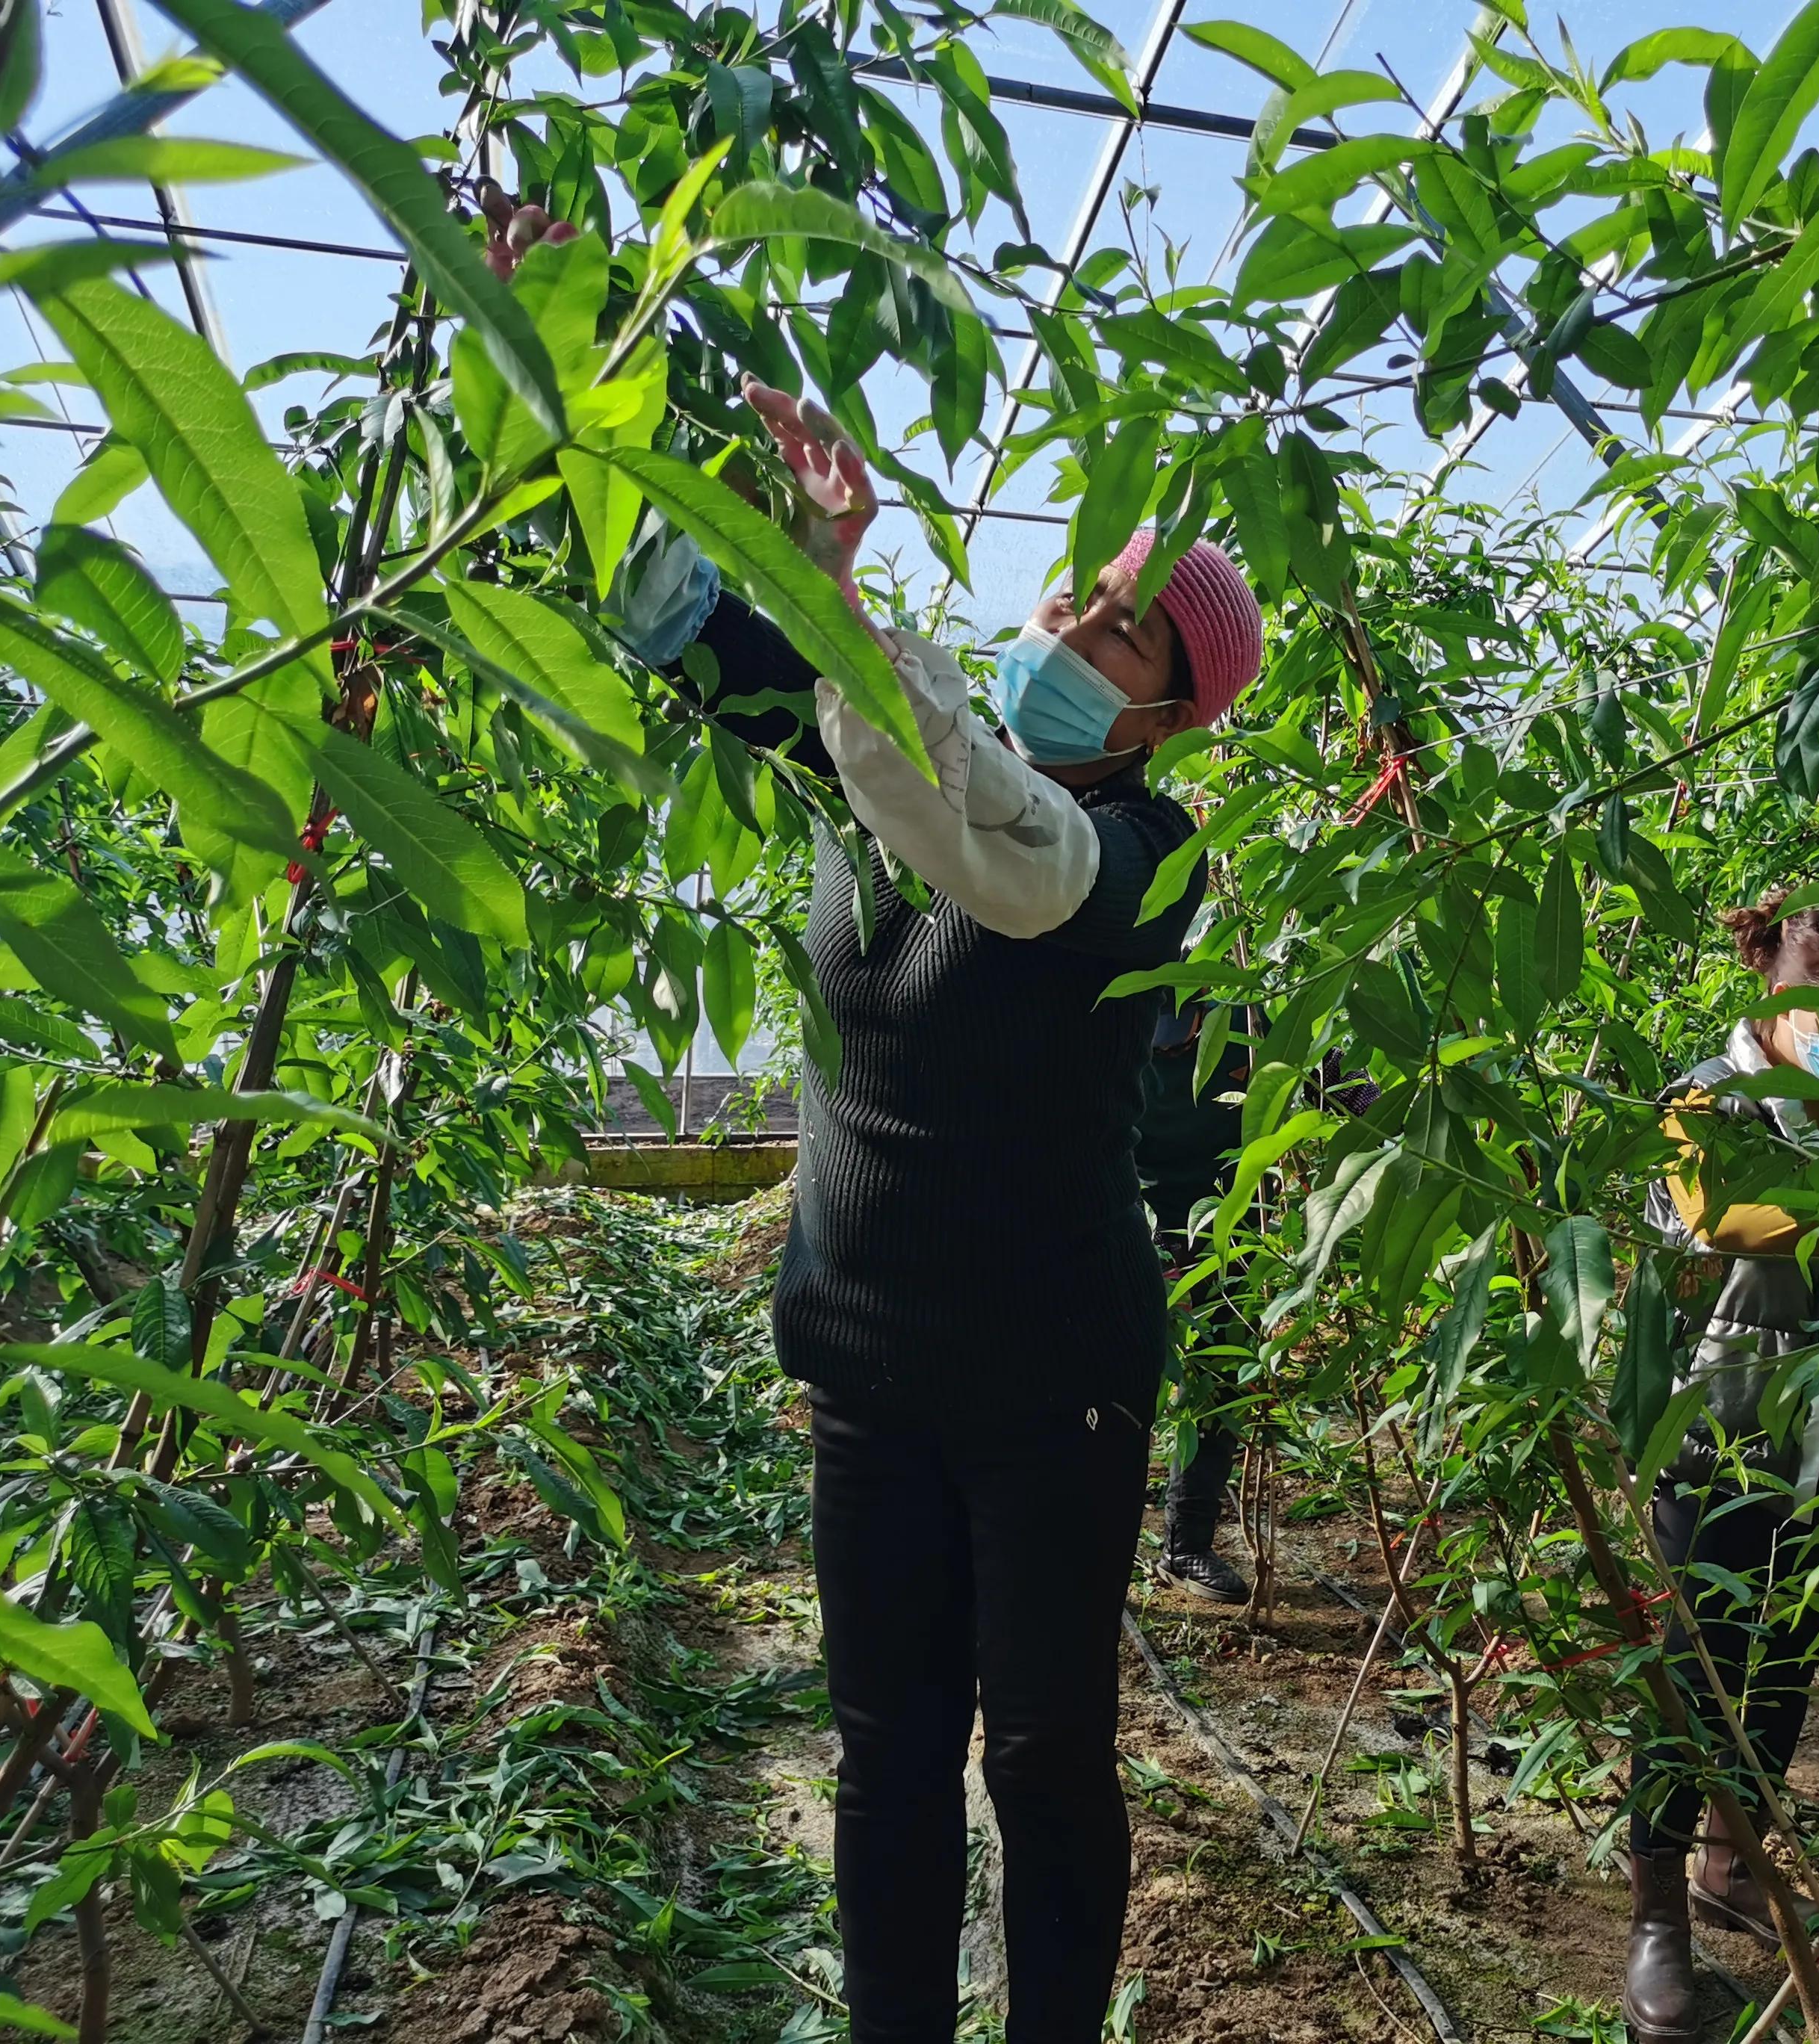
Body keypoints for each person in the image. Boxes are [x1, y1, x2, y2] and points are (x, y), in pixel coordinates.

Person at [602, 365, 1262, 2033]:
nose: (1072, 629)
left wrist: (839, 614)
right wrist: (575, 384)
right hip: (869, 1373)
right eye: (1080, 595)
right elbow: (674, 623)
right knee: (886, 1748)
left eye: (1122, 636)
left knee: (1042, 1752)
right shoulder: (871, 745)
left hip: (1055, 1386)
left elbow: (1003, 856)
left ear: (1168, 721)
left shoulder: (1144, 852)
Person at [1621, 893, 1819, 2043]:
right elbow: (1717, 1217)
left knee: (1787, 1662)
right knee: (1695, 1677)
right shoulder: (1708, 1101)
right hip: (1718, 1433)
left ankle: (1731, 1867)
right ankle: (1658, 1924)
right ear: (1776, 998)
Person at [1136, 998, 1254, 1602]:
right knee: (1114, 1384)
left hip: (1228, 1229)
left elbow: (1338, 1075)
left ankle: (1187, 1545)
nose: (1171, 1045)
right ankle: (1090, 1541)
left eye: (1183, 1036)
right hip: (1131, 1223)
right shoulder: (1105, 1033)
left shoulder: (1251, 1022)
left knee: (1220, 1382)